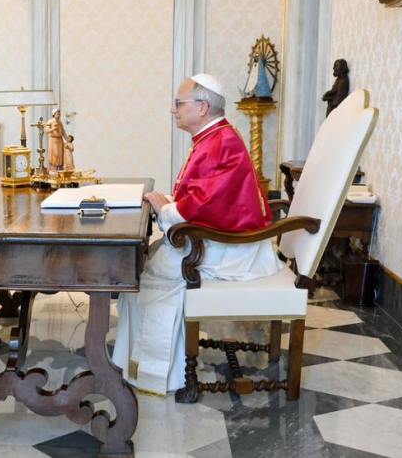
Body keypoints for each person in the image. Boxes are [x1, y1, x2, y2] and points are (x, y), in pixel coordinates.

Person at [112, 74, 282, 395]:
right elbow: (207, 201)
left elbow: (204, 206)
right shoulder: (213, 138)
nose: (173, 110)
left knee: (142, 278)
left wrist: (165, 209)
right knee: (140, 265)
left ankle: (157, 374)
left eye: (179, 103)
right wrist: (170, 205)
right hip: (220, 239)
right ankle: (137, 365)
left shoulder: (221, 143)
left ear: (202, 107)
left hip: (232, 251)